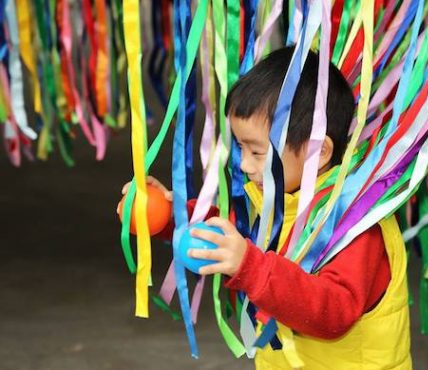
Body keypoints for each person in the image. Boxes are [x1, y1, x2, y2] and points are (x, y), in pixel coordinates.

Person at [120, 47, 411, 369]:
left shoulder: (355, 225)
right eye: (241, 148)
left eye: (257, 152)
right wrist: (169, 216)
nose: (244, 164)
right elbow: (228, 232)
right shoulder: (277, 199)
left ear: (318, 151)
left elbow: (333, 312)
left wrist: (250, 266)